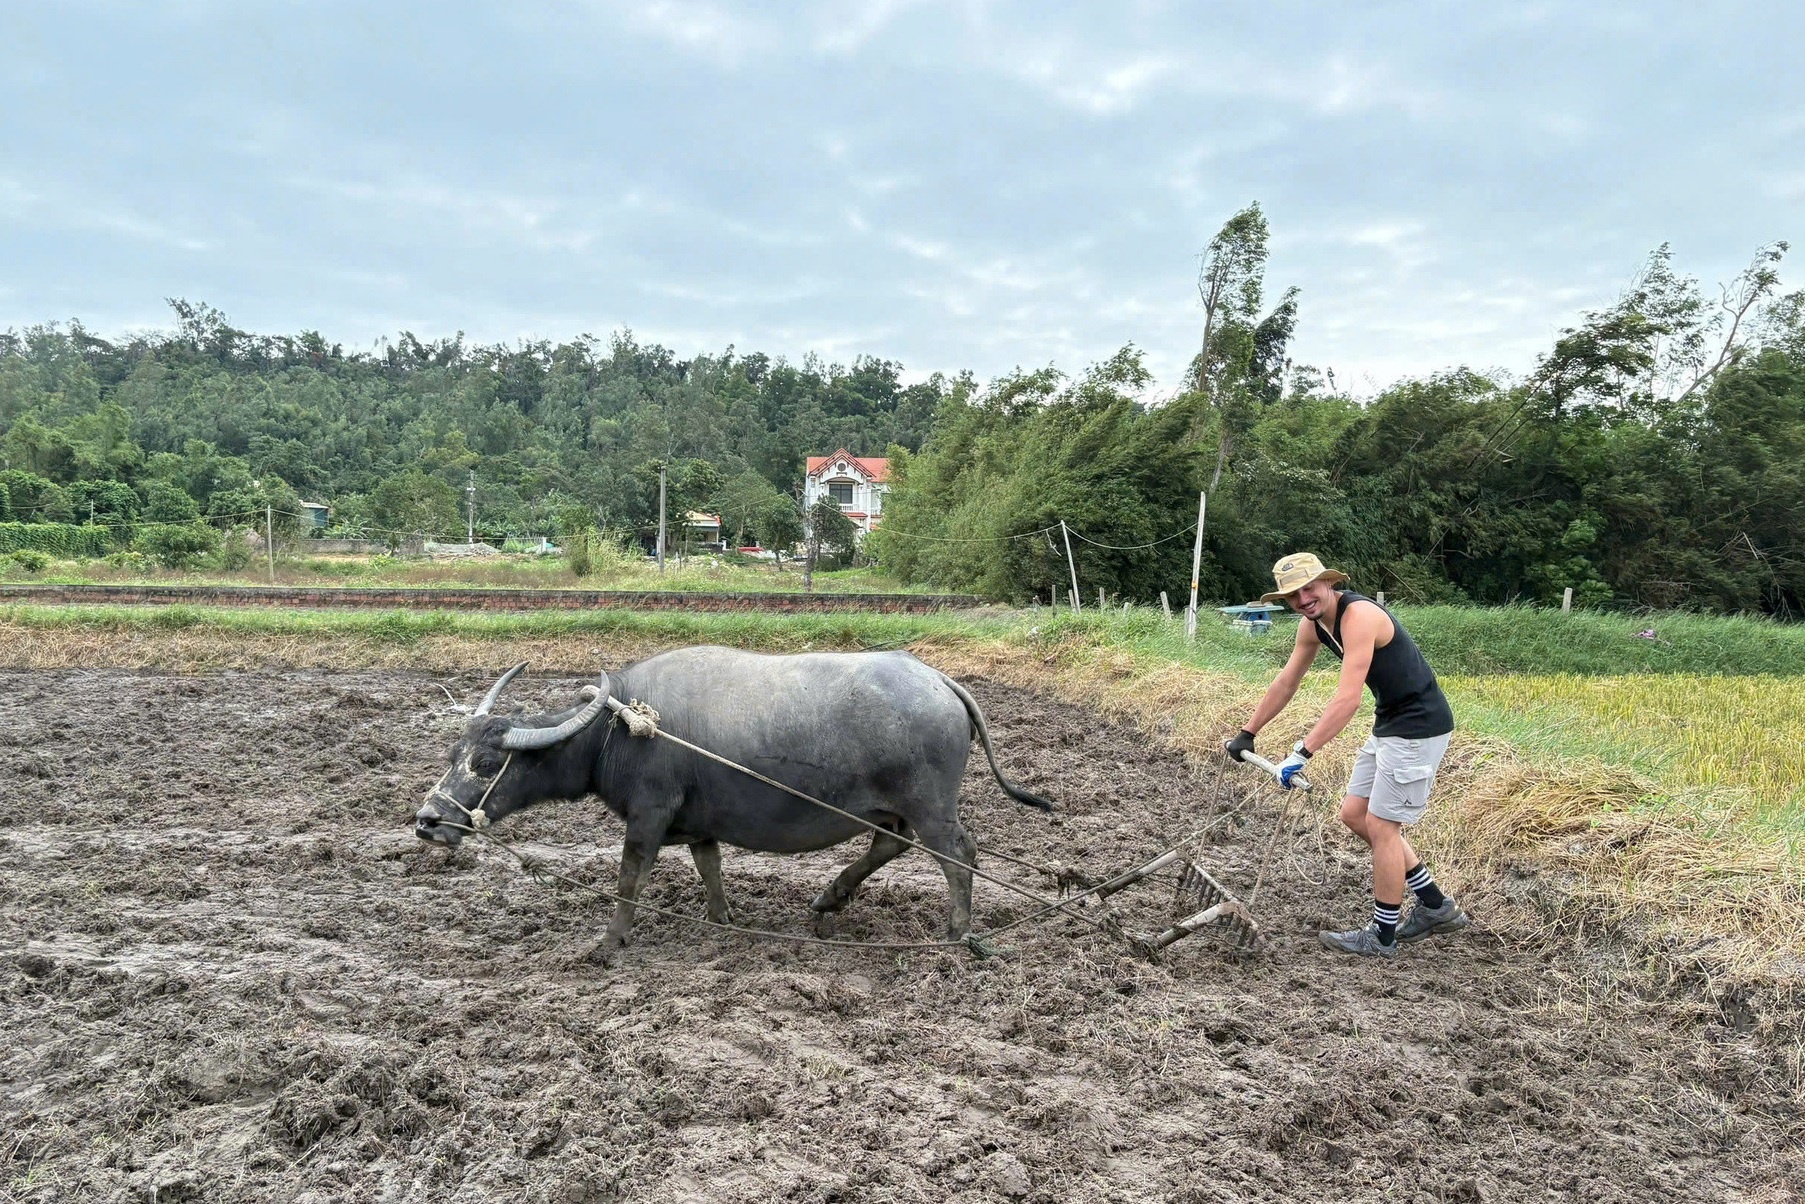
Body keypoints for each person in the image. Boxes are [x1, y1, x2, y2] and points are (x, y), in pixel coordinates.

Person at [1222, 553, 1469, 958]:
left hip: (1419, 726)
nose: (1303, 599)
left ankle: (1382, 937)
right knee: (1355, 815)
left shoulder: (1360, 617)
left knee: (1382, 826)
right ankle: (1435, 906)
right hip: (1392, 722)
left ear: (1327, 584)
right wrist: (1248, 733)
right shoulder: (1313, 626)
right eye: (1293, 595)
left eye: (1309, 588)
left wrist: (1302, 752)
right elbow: (1287, 681)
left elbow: (1348, 698)